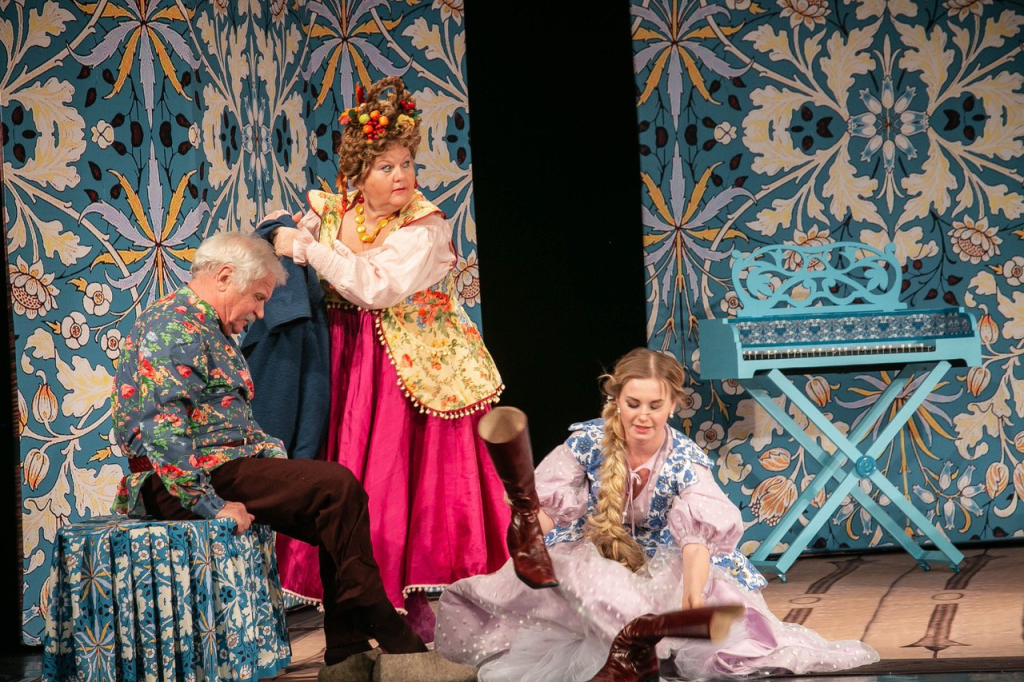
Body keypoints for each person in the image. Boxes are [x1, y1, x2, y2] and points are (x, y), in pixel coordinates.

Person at [109, 231, 473, 681]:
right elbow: (164, 431)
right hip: (178, 483)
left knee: (334, 507)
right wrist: (211, 505)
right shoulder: (172, 325)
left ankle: (347, 653)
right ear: (224, 277)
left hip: (220, 468)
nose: (261, 312)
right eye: (258, 297)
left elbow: (232, 425)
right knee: (335, 486)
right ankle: (381, 622)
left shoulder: (208, 326)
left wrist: (275, 463)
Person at [435, 348, 880, 681]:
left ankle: (642, 642)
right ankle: (633, 643)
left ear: (672, 404)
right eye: (633, 404)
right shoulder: (587, 442)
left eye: (654, 405)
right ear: (616, 399)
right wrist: (531, 532)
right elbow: (550, 509)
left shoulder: (684, 459)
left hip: (664, 560)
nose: (643, 416)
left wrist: (692, 597)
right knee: (577, 573)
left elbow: (696, 540)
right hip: (598, 555)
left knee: (730, 634)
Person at [268, 76, 509, 628]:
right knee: (344, 473)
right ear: (359, 173)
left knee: (401, 483)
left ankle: (412, 606)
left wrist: (310, 250)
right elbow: (286, 236)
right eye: (386, 167)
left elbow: (376, 287)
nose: (401, 176)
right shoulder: (333, 211)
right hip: (347, 362)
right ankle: (351, 601)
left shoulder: (424, 227)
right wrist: (286, 235)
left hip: (412, 368)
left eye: (407, 164)